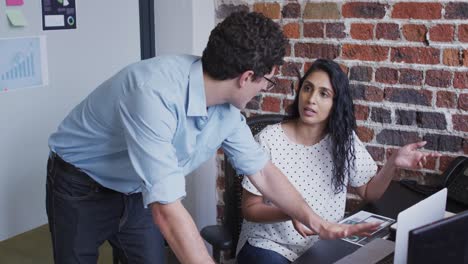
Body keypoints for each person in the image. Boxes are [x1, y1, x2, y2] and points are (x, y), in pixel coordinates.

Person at [46, 12, 379, 264]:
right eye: (266, 81)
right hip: (82, 185)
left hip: (136, 189)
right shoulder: (152, 93)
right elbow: (166, 209)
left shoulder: (227, 112)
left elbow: (262, 173)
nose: (265, 88)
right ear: (246, 77)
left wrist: (316, 221)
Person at [236, 59, 440, 264]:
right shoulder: (268, 139)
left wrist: (392, 163)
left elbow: (369, 192)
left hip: (323, 246)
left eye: (323, 93)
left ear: (336, 103)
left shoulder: (343, 139)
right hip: (270, 245)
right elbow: (250, 209)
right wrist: (291, 212)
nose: (311, 99)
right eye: (308, 88)